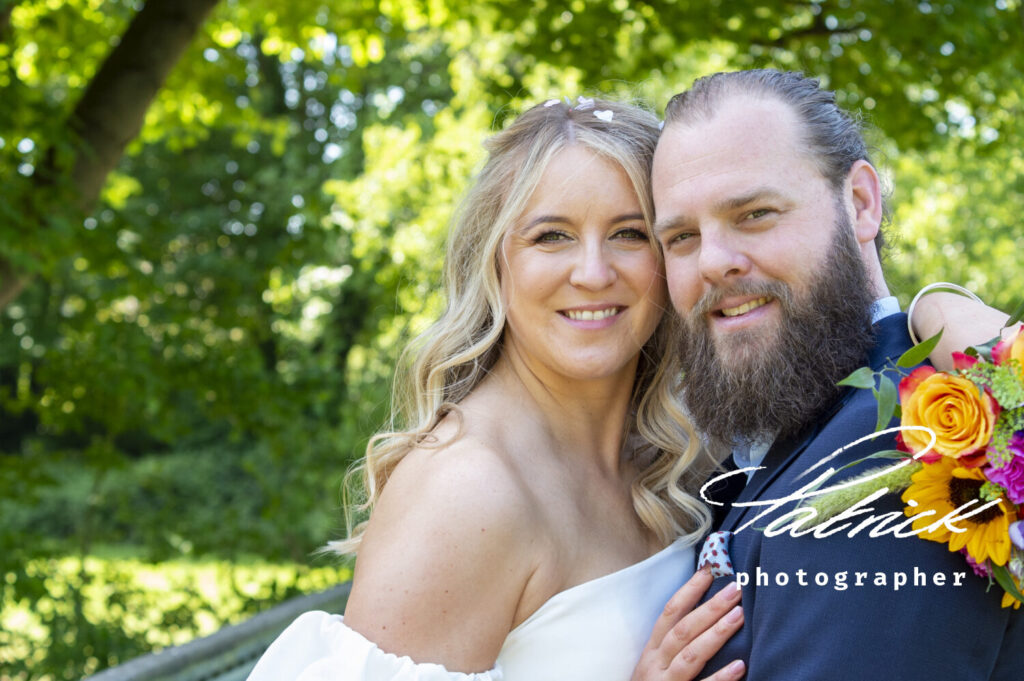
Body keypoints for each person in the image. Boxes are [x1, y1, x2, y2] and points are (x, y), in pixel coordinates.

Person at [247, 97, 748, 681]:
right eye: (552, 236)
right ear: (494, 261)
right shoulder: (468, 490)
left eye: (630, 233)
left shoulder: (677, 456)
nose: (592, 272)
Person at [650, 69, 1024, 680]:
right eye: (682, 237)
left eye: (754, 214)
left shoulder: (898, 457)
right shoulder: (771, 433)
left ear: (860, 204)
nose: (714, 262)